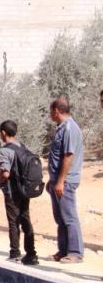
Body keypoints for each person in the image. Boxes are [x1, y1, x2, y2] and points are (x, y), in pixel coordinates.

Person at [47, 98, 84, 263]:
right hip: (57, 180)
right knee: (60, 217)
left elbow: (68, 156)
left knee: (69, 216)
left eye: (51, 111)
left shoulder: (69, 128)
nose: (50, 115)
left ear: (56, 110)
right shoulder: (61, 128)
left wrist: (61, 181)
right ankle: (63, 250)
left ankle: (75, 252)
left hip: (66, 181)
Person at [0, 120, 38, 265]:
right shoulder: (23, 147)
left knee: (13, 221)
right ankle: (31, 254)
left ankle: (15, 253)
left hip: (12, 191)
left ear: (3, 133)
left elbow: (6, 173)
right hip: (25, 190)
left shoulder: (4, 150)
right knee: (25, 219)